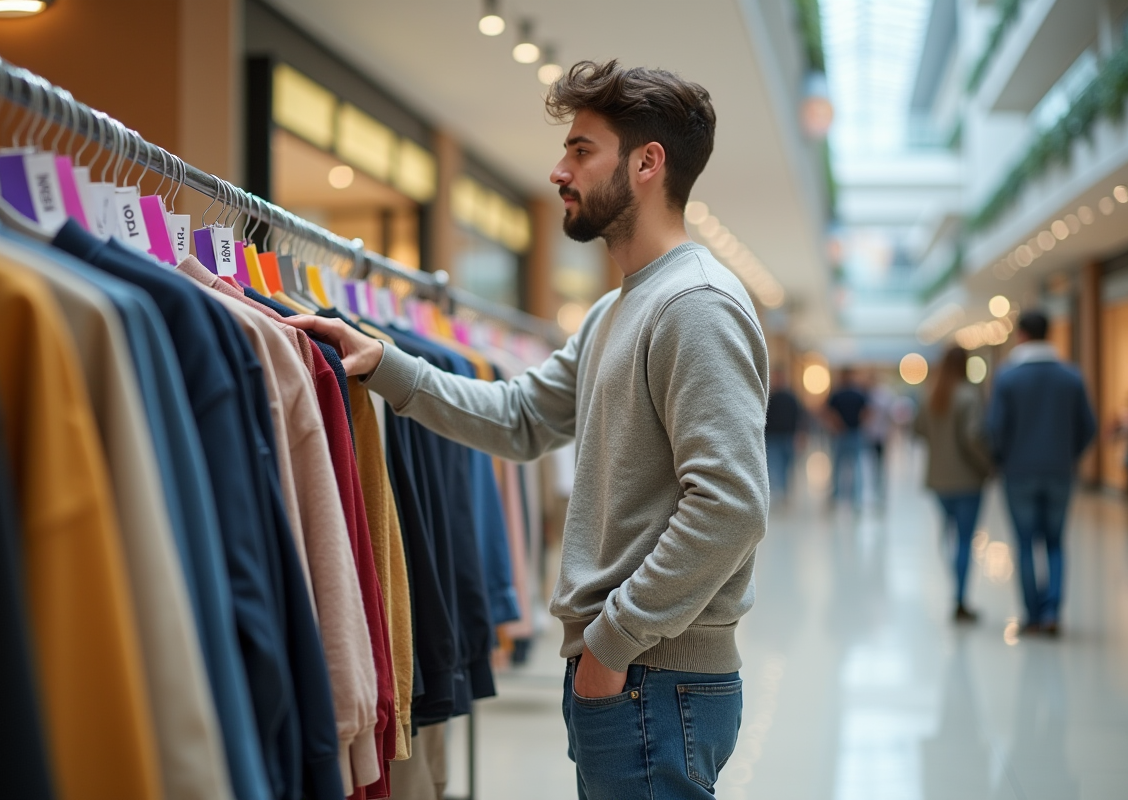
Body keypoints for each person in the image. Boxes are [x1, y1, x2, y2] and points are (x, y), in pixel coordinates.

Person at [289, 60, 768, 798]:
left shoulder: (694, 304)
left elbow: (731, 503)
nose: (558, 171)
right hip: (633, 672)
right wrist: (384, 362)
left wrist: (612, 645)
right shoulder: (618, 309)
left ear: (648, 163)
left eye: (582, 150)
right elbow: (521, 417)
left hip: (652, 674)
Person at [987, 310, 1095, 636]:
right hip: (1060, 471)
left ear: (1020, 335)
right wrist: (1067, 454)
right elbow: (1088, 427)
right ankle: (1052, 614)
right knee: (1055, 543)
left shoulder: (1007, 377)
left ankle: (1032, 616)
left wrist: (1003, 459)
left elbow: (995, 428)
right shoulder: (1071, 376)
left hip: (1018, 473)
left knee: (1024, 544)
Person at [914, 346, 991, 622]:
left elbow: (919, 430)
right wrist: (988, 465)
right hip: (967, 479)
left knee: (949, 535)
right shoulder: (969, 395)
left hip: (939, 479)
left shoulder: (931, 395)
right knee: (964, 540)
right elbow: (973, 436)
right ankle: (960, 598)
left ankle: (955, 588)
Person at [825, 366, 868, 508]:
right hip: (854, 432)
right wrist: (860, 423)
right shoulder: (859, 394)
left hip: (841, 434)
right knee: (855, 466)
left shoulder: (837, 394)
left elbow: (829, 413)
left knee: (839, 466)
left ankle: (837, 496)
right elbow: (867, 412)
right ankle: (856, 498)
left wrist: (838, 425)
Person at [766, 368, 801, 502]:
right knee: (774, 465)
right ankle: (776, 491)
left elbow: (798, 417)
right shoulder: (770, 398)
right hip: (773, 437)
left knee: (786, 465)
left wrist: (799, 435)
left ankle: (784, 491)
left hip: (788, 436)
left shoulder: (791, 398)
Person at [864, 375, 896, 504]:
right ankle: (877, 488)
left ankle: (879, 488)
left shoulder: (876, 395)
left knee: (878, 463)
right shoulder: (870, 395)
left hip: (879, 434)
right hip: (874, 434)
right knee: (875, 462)